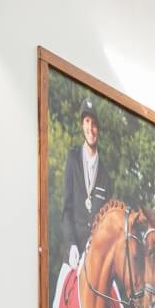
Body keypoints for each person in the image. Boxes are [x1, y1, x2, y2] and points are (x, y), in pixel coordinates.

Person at [59, 100, 112, 271]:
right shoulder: (72, 159)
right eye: (87, 122)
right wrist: (72, 244)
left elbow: (106, 224)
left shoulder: (105, 175)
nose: (91, 128)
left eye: (94, 124)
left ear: (99, 130)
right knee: (58, 295)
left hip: (96, 262)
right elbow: (67, 209)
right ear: (82, 125)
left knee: (116, 296)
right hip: (73, 256)